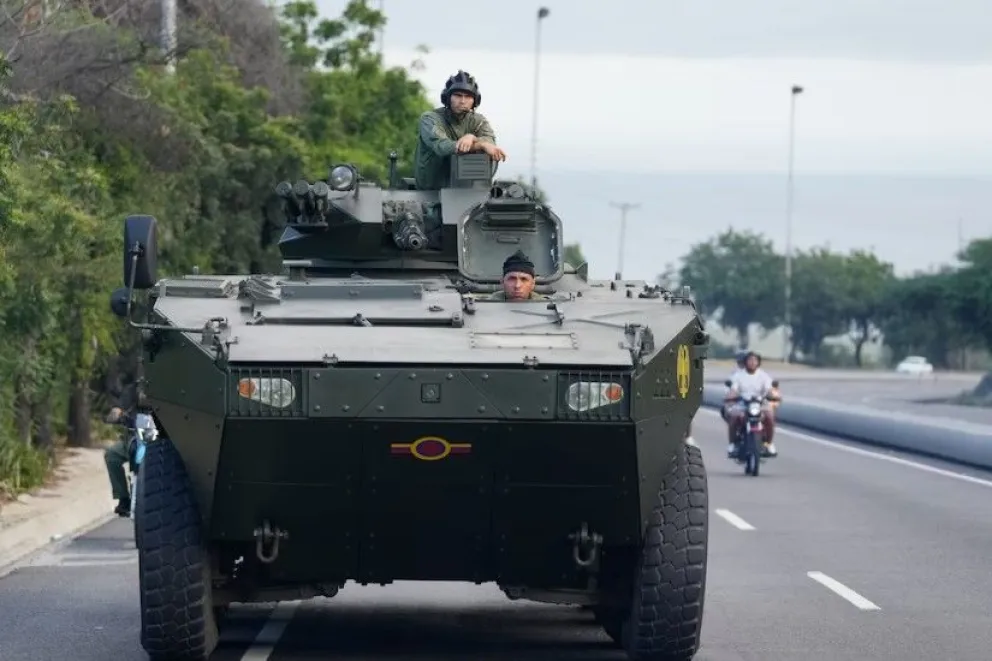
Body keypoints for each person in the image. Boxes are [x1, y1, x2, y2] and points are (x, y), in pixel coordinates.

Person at [414, 70, 507, 190]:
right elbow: (442, 146)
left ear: (475, 100)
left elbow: (490, 144)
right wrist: (479, 145)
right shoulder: (430, 118)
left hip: (468, 192)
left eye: (468, 96)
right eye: (458, 95)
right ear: (448, 98)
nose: (463, 101)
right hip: (431, 190)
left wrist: (471, 138)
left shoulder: (478, 121)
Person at [723, 350, 778, 458]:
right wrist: (730, 397)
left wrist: (772, 395)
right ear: (745, 362)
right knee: (734, 417)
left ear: (758, 362)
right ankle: (732, 444)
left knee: (770, 417)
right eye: (750, 360)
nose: (752, 362)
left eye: (754, 360)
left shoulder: (764, 376)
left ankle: (769, 444)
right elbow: (733, 389)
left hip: (760, 403)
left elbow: (769, 389)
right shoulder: (738, 376)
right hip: (743, 403)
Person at [104, 380, 139, 517]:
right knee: (112, 455)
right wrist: (116, 414)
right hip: (133, 438)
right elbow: (119, 408)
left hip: (158, 439)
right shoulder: (133, 389)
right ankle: (124, 498)